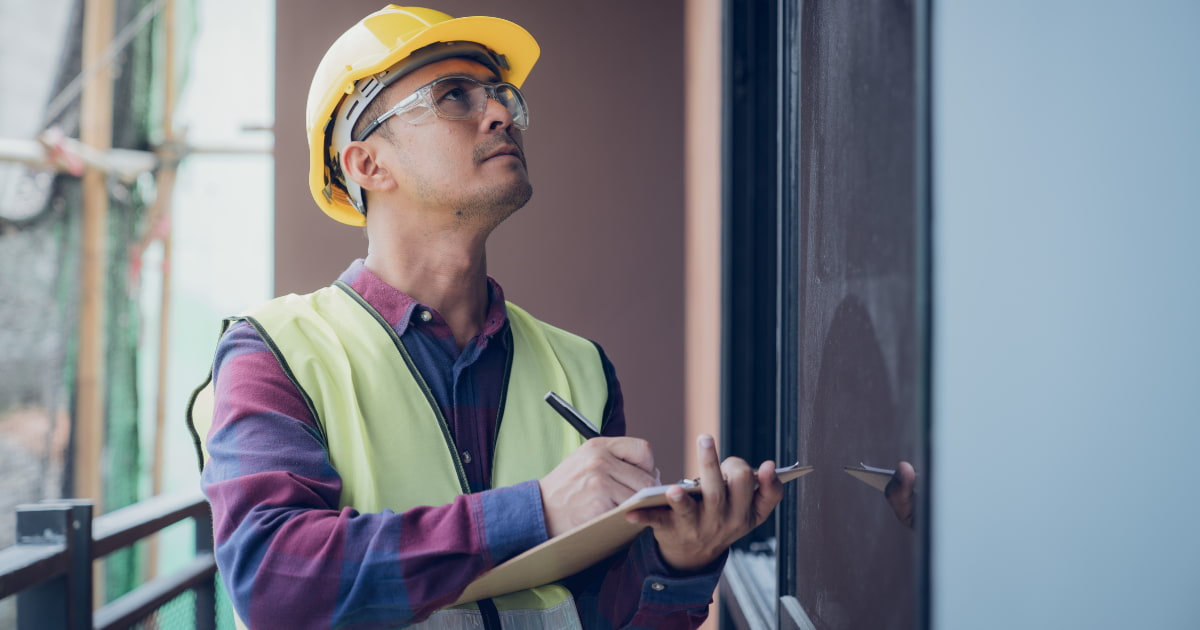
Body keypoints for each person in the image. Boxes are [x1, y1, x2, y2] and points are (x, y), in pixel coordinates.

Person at [187, 5, 784, 629]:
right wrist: (538, 512)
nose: (502, 113)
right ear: (367, 164)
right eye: (453, 97)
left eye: (501, 96)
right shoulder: (275, 353)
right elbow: (274, 582)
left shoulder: (582, 369)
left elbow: (608, 615)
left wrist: (679, 562)